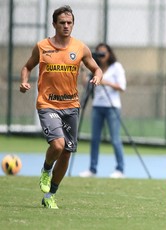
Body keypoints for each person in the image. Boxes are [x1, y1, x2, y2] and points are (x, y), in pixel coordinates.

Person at [19, 5, 103, 209]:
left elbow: (96, 68)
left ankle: (50, 196)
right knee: (57, 145)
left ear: (73, 24)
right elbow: (27, 66)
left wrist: (98, 77)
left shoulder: (80, 48)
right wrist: (24, 81)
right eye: (62, 23)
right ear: (54, 24)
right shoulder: (42, 47)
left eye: (69, 23)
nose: (66, 26)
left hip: (71, 106)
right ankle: (46, 169)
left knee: (67, 152)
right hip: (47, 104)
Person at [79, 43, 126, 179]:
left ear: (109, 54)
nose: (101, 56)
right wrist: (83, 71)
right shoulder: (95, 67)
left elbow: (122, 86)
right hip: (97, 106)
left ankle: (120, 169)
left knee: (115, 139)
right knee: (94, 139)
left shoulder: (116, 67)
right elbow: (86, 85)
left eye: (103, 53)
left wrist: (105, 82)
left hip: (112, 107)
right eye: (99, 53)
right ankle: (92, 169)